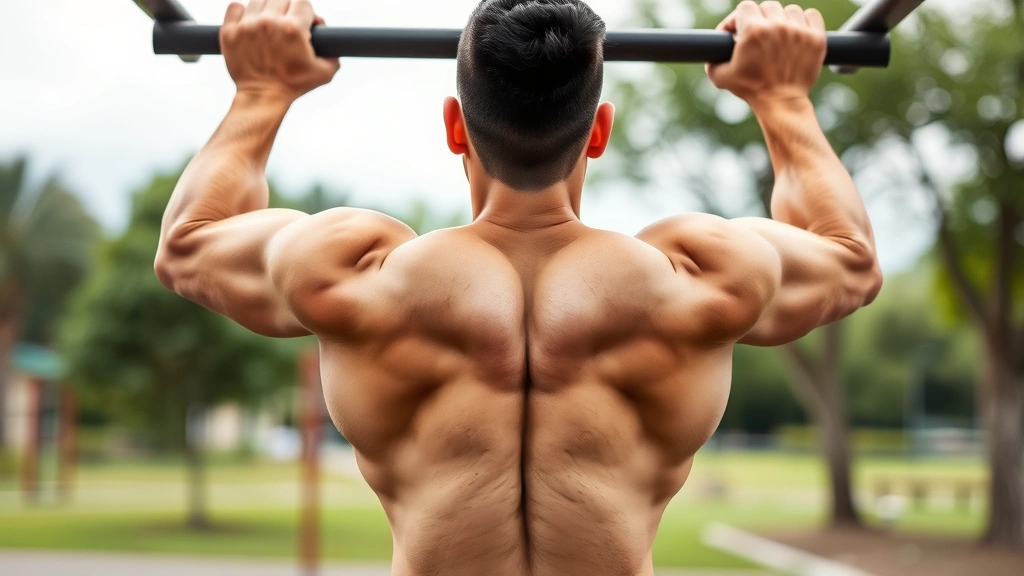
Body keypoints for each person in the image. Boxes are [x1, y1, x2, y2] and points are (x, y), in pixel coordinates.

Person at [155, 0, 883, 574]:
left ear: (454, 125)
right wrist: (782, 98)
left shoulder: (353, 275)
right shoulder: (698, 279)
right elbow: (849, 259)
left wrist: (261, 89)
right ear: (598, 131)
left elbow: (189, 245)